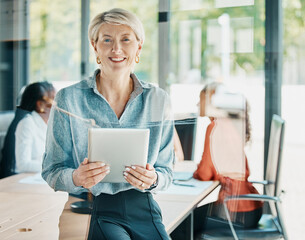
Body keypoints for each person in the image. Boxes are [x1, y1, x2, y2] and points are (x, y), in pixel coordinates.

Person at [42, 8, 174, 240]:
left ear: (138, 47)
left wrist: (154, 179)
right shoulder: (68, 99)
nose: (116, 49)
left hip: (142, 206)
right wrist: (76, 177)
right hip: (88, 206)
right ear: (95, 47)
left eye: (125, 39)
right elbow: (51, 170)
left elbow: (167, 172)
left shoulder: (157, 99)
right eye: (107, 40)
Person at [193, 83, 263, 234]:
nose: (198, 103)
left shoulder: (215, 126)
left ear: (212, 100)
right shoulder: (229, 124)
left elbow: (205, 174)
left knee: (184, 225)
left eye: (201, 98)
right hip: (250, 208)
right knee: (190, 222)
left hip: (236, 212)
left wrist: (196, 172)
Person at [0, 82, 55, 178]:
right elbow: (23, 164)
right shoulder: (26, 124)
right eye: (54, 99)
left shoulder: (47, 125)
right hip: (21, 181)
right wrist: (54, 166)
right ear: (40, 105)